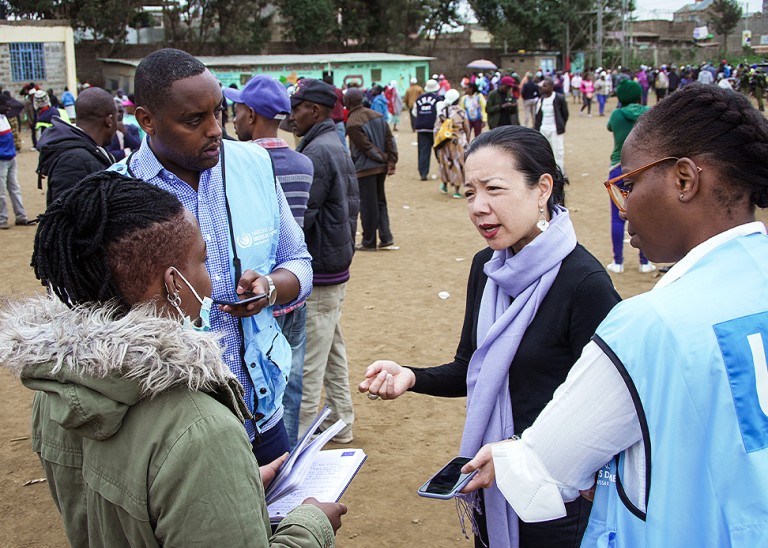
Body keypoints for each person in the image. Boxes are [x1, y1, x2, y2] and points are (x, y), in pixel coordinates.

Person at [463, 83, 768, 546]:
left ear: (684, 180)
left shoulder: (649, 322)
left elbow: (547, 465)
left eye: (627, 184)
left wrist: (509, 459)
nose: (621, 207)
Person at [0, 171, 345, 546]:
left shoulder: (56, 388)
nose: (211, 279)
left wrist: (229, 483)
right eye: (204, 260)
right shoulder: (201, 428)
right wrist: (311, 525)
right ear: (174, 283)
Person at [359, 125, 620, 548]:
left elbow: (604, 410)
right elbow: (473, 368)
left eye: (494, 189)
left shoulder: (584, 283)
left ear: (542, 189)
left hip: (557, 498)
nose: (478, 207)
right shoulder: (488, 268)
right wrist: (411, 376)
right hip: (493, 485)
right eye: (468, 193)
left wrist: (518, 455)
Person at [114, 48, 312, 464]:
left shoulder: (254, 165)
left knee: (278, 526)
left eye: (219, 113)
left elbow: (299, 261)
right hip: (180, 429)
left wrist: (272, 288)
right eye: (194, 120)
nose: (215, 130)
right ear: (146, 120)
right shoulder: (115, 194)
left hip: (264, 412)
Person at [224, 74, 314, 448]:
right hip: (292, 290)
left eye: (235, 110)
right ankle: (286, 454)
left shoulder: (241, 166)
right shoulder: (302, 162)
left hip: (254, 304)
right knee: (289, 380)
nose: (231, 119)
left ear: (249, 113)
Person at [289, 78, 360, 444]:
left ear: (314, 111)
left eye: (297, 107)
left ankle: (297, 442)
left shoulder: (318, 151)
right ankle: (342, 422)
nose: (292, 114)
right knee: (332, 352)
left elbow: (303, 218)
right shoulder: (332, 143)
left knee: (308, 367)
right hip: (335, 267)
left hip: (321, 272)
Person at [36, 87, 117, 207]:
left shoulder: (94, 150)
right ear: (109, 120)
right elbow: (64, 218)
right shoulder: (72, 160)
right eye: (117, 118)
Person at [605, 80, 654, 274]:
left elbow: (610, 127)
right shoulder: (649, 113)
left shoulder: (617, 114)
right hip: (644, 170)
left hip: (618, 168)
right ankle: (644, 262)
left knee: (617, 219)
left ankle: (618, 262)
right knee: (645, 217)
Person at [345, 88, 398, 251]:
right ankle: (386, 236)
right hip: (380, 168)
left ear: (347, 103)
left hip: (365, 168)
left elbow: (365, 146)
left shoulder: (352, 122)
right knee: (380, 202)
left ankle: (369, 241)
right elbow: (390, 139)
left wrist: (382, 157)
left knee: (368, 206)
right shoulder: (377, 115)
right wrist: (391, 159)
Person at [0, 94, 35, 229]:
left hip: (11, 158)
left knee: (15, 189)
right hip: (2, 160)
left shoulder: (5, 118)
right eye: (5, 105)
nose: (9, 107)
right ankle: (2, 219)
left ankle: (21, 216)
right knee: (1, 192)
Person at [434, 88, 470, 199]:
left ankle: (445, 185)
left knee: (445, 162)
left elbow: (436, 129)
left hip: (445, 141)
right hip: (458, 141)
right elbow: (466, 128)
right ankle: (457, 190)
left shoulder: (442, 111)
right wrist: (467, 139)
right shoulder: (461, 112)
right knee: (458, 163)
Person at [535, 77, 569, 173]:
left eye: (545, 86)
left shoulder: (559, 98)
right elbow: (538, 115)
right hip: (544, 129)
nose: (543, 88)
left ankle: (560, 172)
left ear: (551, 87)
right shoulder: (541, 99)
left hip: (555, 129)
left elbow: (565, 114)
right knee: (544, 151)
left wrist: (561, 125)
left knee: (558, 151)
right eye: (542, 86)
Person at [413, 79, 441, 180]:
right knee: (439, 150)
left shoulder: (419, 99)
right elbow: (440, 113)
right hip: (434, 128)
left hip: (421, 128)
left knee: (423, 151)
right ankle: (443, 170)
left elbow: (415, 112)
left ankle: (423, 173)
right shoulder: (438, 99)